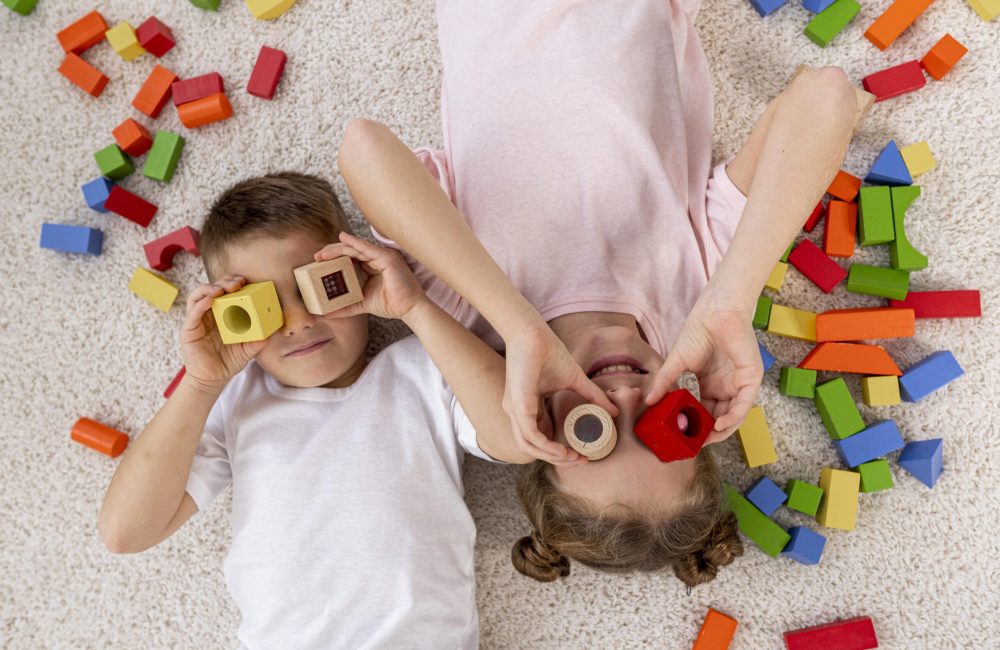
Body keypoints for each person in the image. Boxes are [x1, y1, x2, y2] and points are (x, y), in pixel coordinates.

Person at [335, 0, 858, 587]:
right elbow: (827, 95)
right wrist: (731, 302)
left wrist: (521, 326)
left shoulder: (472, 302)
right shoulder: (700, 294)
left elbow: (363, 147)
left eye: (594, 429)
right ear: (692, 412)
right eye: (663, 422)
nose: (627, 396)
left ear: (538, 427)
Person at [97, 172, 531, 648]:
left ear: (359, 274)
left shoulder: (423, 369)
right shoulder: (238, 399)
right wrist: (202, 383)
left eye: (318, 288)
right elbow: (125, 532)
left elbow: (517, 438)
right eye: (263, 307)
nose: (299, 323)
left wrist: (415, 308)